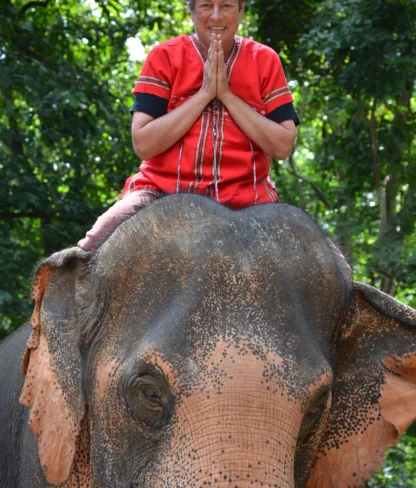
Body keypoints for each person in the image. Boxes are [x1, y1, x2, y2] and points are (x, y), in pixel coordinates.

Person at [78, 0, 300, 251]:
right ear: (191, 10)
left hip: (251, 200)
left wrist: (226, 95)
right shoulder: (164, 57)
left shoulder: (265, 60)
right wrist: (205, 93)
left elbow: (282, 147)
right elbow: (143, 144)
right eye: (206, 5)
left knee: (333, 269)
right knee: (87, 251)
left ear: (241, 10)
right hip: (159, 193)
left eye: (226, 5)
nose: (216, 16)